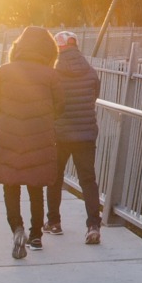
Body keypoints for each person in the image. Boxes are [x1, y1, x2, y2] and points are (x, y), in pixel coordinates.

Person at [0, 25, 64, 259]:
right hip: (39, 137)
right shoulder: (51, 75)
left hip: (9, 136)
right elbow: (60, 107)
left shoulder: (5, 70)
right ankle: (36, 235)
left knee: (11, 186)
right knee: (36, 187)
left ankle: (17, 229)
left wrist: (6, 113)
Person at [47, 30, 104, 243]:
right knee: (88, 180)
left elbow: (50, 100)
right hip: (86, 134)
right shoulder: (90, 71)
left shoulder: (53, 71)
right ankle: (93, 226)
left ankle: (54, 222)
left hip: (59, 134)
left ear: (58, 47)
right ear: (76, 45)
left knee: (54, 178)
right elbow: (94, 95)